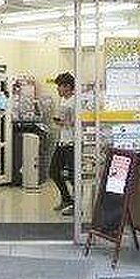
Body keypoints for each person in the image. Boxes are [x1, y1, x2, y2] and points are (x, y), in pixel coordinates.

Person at [50, 72, 75, 216]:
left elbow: (77, 121)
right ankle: (66, 199)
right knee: (53, 171)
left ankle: (76, 205)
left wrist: (65, 122)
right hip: (62, 142)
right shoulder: (63, 100)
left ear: (67, 87)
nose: (57, 89)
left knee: (72, 175)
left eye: (59, 86)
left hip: (72, 143)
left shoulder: (74, 101)